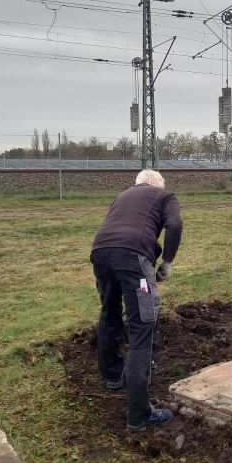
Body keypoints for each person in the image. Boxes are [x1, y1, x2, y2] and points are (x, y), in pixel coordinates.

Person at [90, 169, 183, 431]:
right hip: (134, 257)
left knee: (109, 312)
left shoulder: (123, 195)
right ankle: (139, 414)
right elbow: (175, 225)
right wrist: (167, 262)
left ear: (137, 184)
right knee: (143, 325)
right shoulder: (165, 196)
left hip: (100, 254)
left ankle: (113, 375)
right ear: (159, 185)